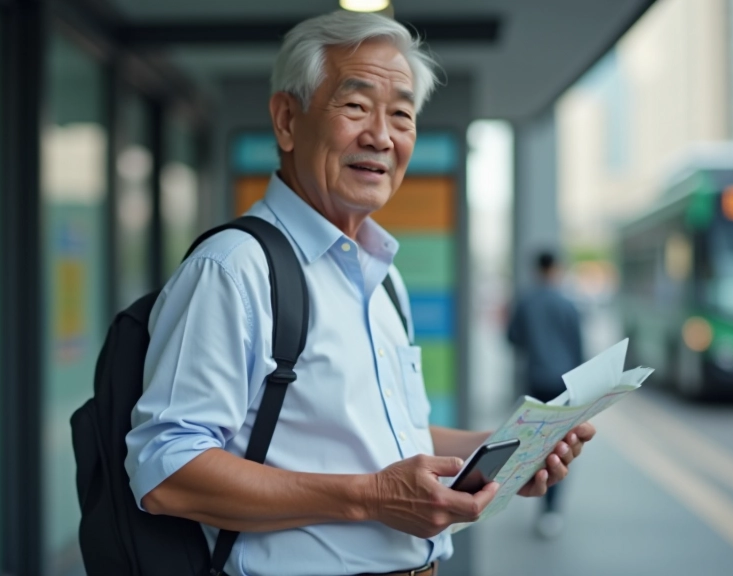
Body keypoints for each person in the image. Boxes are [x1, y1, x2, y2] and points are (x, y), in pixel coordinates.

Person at [127, 11, 595, 576]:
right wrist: (369, 496)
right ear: (286, 120)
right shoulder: (233, 269)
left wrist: (502, 450)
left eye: (401, 114)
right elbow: (165, 470)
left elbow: (392, 433)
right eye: (355, 106)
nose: (381, 135)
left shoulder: (382, 278)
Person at [507, 250, 585, 540]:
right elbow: (578, 347)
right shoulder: (568, 304)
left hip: (535, 381)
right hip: (564, 384)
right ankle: (551, 510)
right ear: (557, 268)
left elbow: (512, 338)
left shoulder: (526, 302)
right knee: (560, 444)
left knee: (534, 442)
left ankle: (535, 496)